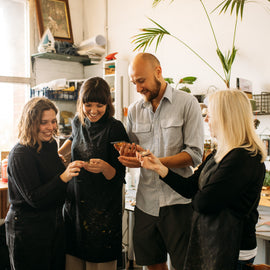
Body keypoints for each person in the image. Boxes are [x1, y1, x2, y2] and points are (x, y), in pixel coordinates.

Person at [137, 89, 267, 270]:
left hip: (232, 250)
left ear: (226, 117)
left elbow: (204, 203)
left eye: (209, 115)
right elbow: (190, 187)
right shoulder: (221, 152)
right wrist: (158, 167)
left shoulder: (243, 157)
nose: (206, 120)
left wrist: (200, 195)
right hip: (216, 243)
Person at [117, 53, 204, 270]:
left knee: (185, 266)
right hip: (146, 203)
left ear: (158, 71)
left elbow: (194, 154)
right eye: (133, 82)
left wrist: (157, 163)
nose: (137, 88)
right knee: (152, 265)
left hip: (178, 204)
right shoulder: (135, 110)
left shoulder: (187, 103)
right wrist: (129, 155)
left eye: (141, 80)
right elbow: (135, 154)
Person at [5, 97, 85, 270]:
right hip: (27, 229)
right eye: (44, 123)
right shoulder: (20, 153)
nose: (51, 127)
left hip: (53, 224)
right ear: (31, 124)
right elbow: (35, 198)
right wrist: (63, 177)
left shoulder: (49, 145)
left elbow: (54, 185)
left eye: (53, 121)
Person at [58, 77, 129, 270]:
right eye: (88, 105)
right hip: (75, 204)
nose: (93, 110)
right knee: (73, 260)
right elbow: (73, 139)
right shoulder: (77, 121)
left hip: (102, 210)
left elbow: (120, 174)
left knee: (99, 262)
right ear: (81, 103)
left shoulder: (115, 128)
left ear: (108, 103)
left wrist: (105, 167)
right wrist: (59, 154)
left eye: (100, 105)